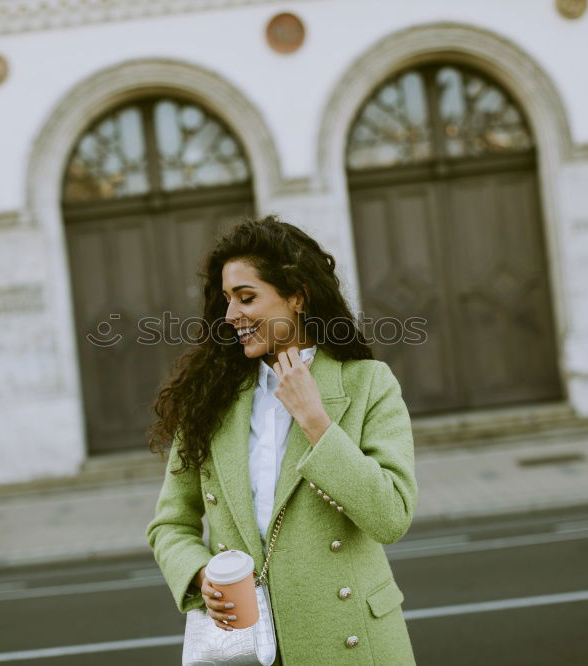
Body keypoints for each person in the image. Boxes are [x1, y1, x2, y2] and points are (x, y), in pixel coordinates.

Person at [146, 215, 418, 664]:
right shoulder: (210, 401)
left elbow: (391, 517)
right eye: (227, 300)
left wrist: (315, 420)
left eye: (246, 297)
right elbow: (170, 525)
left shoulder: (369, 384)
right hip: (249, 649)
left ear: (296, 296)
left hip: (352, 648)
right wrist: (201, 576)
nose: (231, 315)